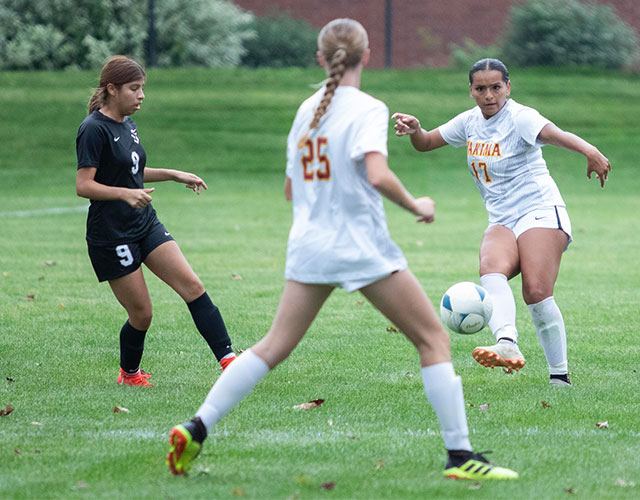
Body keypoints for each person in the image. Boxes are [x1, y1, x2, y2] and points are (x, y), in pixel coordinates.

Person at [166, 20, 517, 481]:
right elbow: (376, 174)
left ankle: (197, 427)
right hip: (360, 246)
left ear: (321, 58)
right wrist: (416, 204)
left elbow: (292, 187)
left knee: (271, 347)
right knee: (433, 339)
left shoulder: (306, 110)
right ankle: (460, 457)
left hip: (310, 245)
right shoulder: (368, 107)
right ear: (366, 56)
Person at [392, 58, 611, 387]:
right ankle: (507, 343)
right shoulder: (469, 123)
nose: (489, 94)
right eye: (481, 88)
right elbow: (425, 143)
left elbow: (555, 135)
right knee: (490, 265)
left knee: (535, 292)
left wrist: (589, 151)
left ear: (508, 87)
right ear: (471, 91)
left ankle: (560, 377)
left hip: (539, 209)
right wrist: (416, 130)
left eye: (496, 87)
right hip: (503, 218)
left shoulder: (520, 117)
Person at [75, 55, 236, 387]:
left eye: (142, 88)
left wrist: (173, 174)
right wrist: (124, 194)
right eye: (134, 88)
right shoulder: (93, 129)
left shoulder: (128, 124)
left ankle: (230, 363)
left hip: (143, 222)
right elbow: (84, 185)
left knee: (192, 286)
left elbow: (130, 171)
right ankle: (129, 374)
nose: (141, 95)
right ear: (112, 89)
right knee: (142, 315)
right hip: (112, 234)